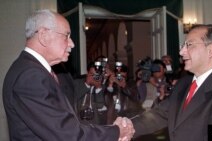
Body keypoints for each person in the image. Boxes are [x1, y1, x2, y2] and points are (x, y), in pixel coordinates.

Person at [2, 9, 134, 141]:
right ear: (43, 35)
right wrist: (117, 132)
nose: (72, 44)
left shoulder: (32, 70)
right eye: (66, 36)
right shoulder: (30, 76)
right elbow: (68, 135)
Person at [131, 24, 212, 141]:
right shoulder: (184, 83)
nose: (181, 52)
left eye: (189, 45)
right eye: (183, 46)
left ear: (211, 50)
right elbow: (160, 115)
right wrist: (122, 128)